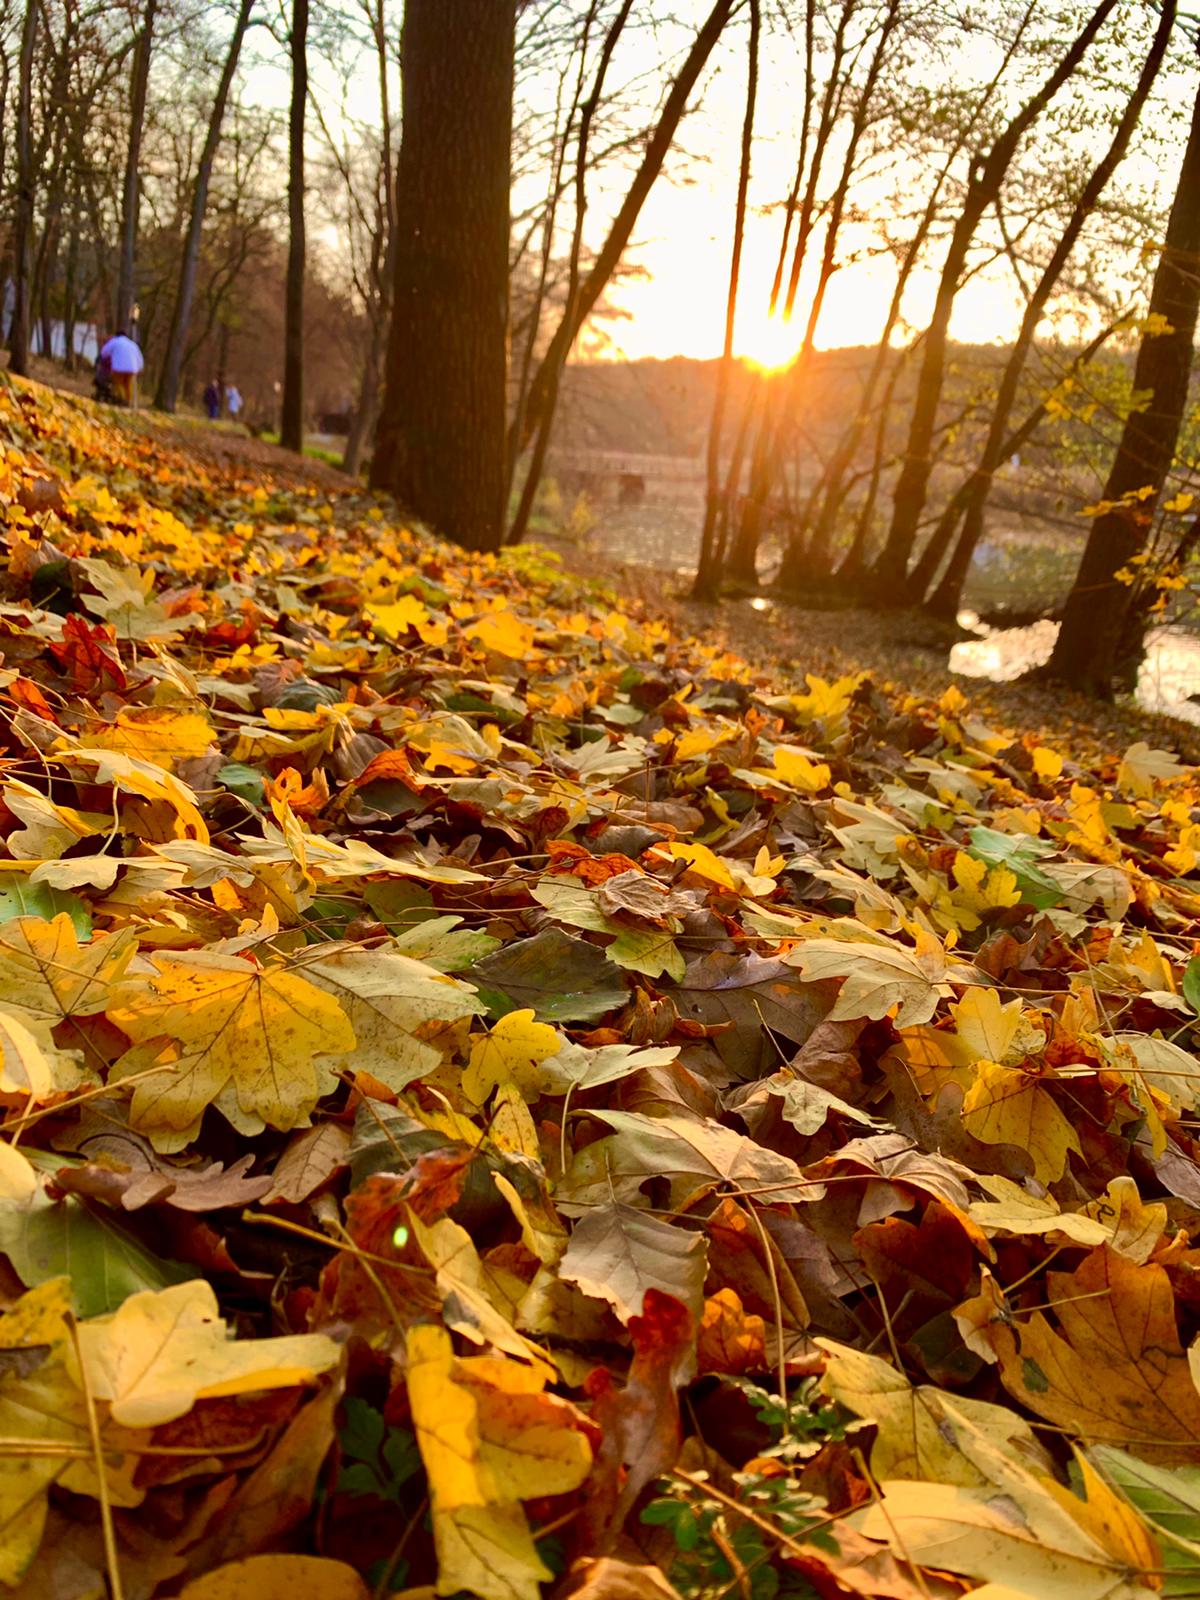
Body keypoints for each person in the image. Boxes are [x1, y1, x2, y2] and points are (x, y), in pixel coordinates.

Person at [98, 329, 144, 406]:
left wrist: (104, 357)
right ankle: (128, 400)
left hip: (119, 367)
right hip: (132, 368)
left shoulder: (115, 341)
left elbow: (104, 352)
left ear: (116, 335)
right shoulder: (132, 344)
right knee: (127, 384)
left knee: (118, 383)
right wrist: (140, 367)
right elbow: (139, 357)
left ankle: (121, 399)